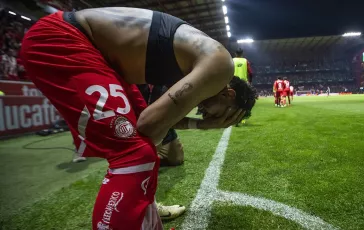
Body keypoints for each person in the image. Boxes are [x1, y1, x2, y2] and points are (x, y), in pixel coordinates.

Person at [21, 8, 257, 230]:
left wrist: (200, 124)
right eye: (219, 113)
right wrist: (204, 124)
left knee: (144, 146)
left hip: (98, 56)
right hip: (63, 39)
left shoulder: (202, 61)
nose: (205, 113)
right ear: (228, 94)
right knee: (134, 154)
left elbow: (156, 126)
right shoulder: (220, 67)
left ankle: (144, 208)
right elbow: (149, 124)